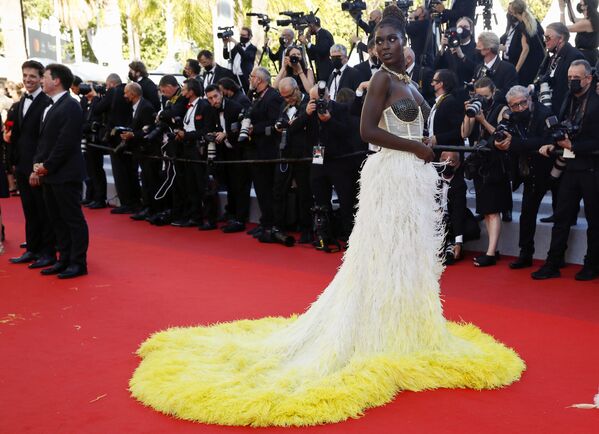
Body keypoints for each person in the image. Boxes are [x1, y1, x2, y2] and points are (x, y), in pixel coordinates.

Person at [130, 6, 524, 427]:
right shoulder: (380, 80)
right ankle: (373, 328)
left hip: (412, 177)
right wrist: (415, 148)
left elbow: (408, 129)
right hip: (391, 175)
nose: (386, 46)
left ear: (406, 42)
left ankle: (403, 327)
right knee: (382, 253)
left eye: (393, 39)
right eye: (379, 41)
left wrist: (427, 141)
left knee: (406, 256)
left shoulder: (407, 80)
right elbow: (367, 132)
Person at [532, 60, 599, 281]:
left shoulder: (596, 101)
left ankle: (592, 265)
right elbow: (563, 126)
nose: (572, 81)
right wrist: (555, 144)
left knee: (594, 220)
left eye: (576, 78)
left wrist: (574, 146)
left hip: (592, 169)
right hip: (570, 167)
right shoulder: (568, 98)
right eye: (569, 77)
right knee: (561, 217)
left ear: (588, 78)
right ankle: (553, 262)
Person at [33, 64, 89, 279]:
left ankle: (78, 262)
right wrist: (39, 165)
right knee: (57, 219)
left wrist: (47, 166)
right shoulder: (53, 105)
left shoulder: (71, 105)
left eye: (44, 77)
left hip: (65, 174)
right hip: (51, 173)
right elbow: (45, 141)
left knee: (72, 219)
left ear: (56, 80)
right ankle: (64, 259)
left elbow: (65, 142)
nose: (41, 81)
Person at [494, 86, 553, 269]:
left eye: (522, 103)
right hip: (530, 173)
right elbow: (498, 135)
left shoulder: (545, 113)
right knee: (527, 214)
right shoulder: (511, 116)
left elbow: (545, 140)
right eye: (514, 106)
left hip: (553, 171)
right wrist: (498, 142)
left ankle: (555, 259)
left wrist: (515, 144)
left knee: (562, 216)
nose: (519, 108)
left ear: (530, 99)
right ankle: (525, 253)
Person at [7, 60, 55, 268]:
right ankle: (32, 249)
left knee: (43, 210)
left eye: (33, 76)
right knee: (29, 210)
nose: (28, 80)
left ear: (41, 78)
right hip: (22, 165)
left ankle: (48, 251)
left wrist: (39, 166)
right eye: (25, 76)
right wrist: (13, 162)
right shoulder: (18, 104)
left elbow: (46, 139)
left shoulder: (47, 102)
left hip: (38, 167)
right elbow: (16, 136)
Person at [461, 77, 512, 266]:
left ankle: (490, 253)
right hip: (480, 165)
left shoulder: (501, 109)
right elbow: (464, 134)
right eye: (478, 95)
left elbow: (501, 135)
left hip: (496, 164)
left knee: (493, 210)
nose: (481, 99)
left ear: (493, 92)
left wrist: (482, 120)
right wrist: (469, 114)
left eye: (485, 96)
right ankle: (493, 250)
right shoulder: (475, 109)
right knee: (486, 209)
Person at [535, 23, 585, 114]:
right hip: (548, 104)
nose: (545, 41)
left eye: (548, 37)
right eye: (544, 37)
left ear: (561, 38)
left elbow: (572, 88)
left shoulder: (574, 56)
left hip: (563, 109)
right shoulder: (554, 55)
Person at [502, 0, 545, 86]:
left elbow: (525, 50)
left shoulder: (522, 26)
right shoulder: (534, 22)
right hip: (540, 61)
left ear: (514, 13)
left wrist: (516, 70)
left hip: (529, 65)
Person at [560, 0, 599, 65]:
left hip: (584, 56)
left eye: (582, 1)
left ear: (586, 6)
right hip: (590, 56)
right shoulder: (593, 18)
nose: (580, 2)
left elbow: (562, 29)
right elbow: (573, 19)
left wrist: (562, 11)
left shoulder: (586, 23)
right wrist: (568, 3)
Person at [299, 16, 334, 81]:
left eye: (309, 27)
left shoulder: (323, 34)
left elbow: (322, 51)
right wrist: (309, 41)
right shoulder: (318, 35)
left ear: (312, 25)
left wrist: (306, 43)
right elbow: (312, 56)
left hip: (326, 70)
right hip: (320, 70)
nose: (308, 29)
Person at [223, 27, 257, 93]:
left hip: (244, 77)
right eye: (241, 35)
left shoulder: (252, 48)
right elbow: (226, 56)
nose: (241, 37)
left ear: (249, 36)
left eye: (244, 35)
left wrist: (235, 42)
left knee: (245, 96)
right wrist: (225, 45)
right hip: (234, 77)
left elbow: (245, 56)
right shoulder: (237, 46)